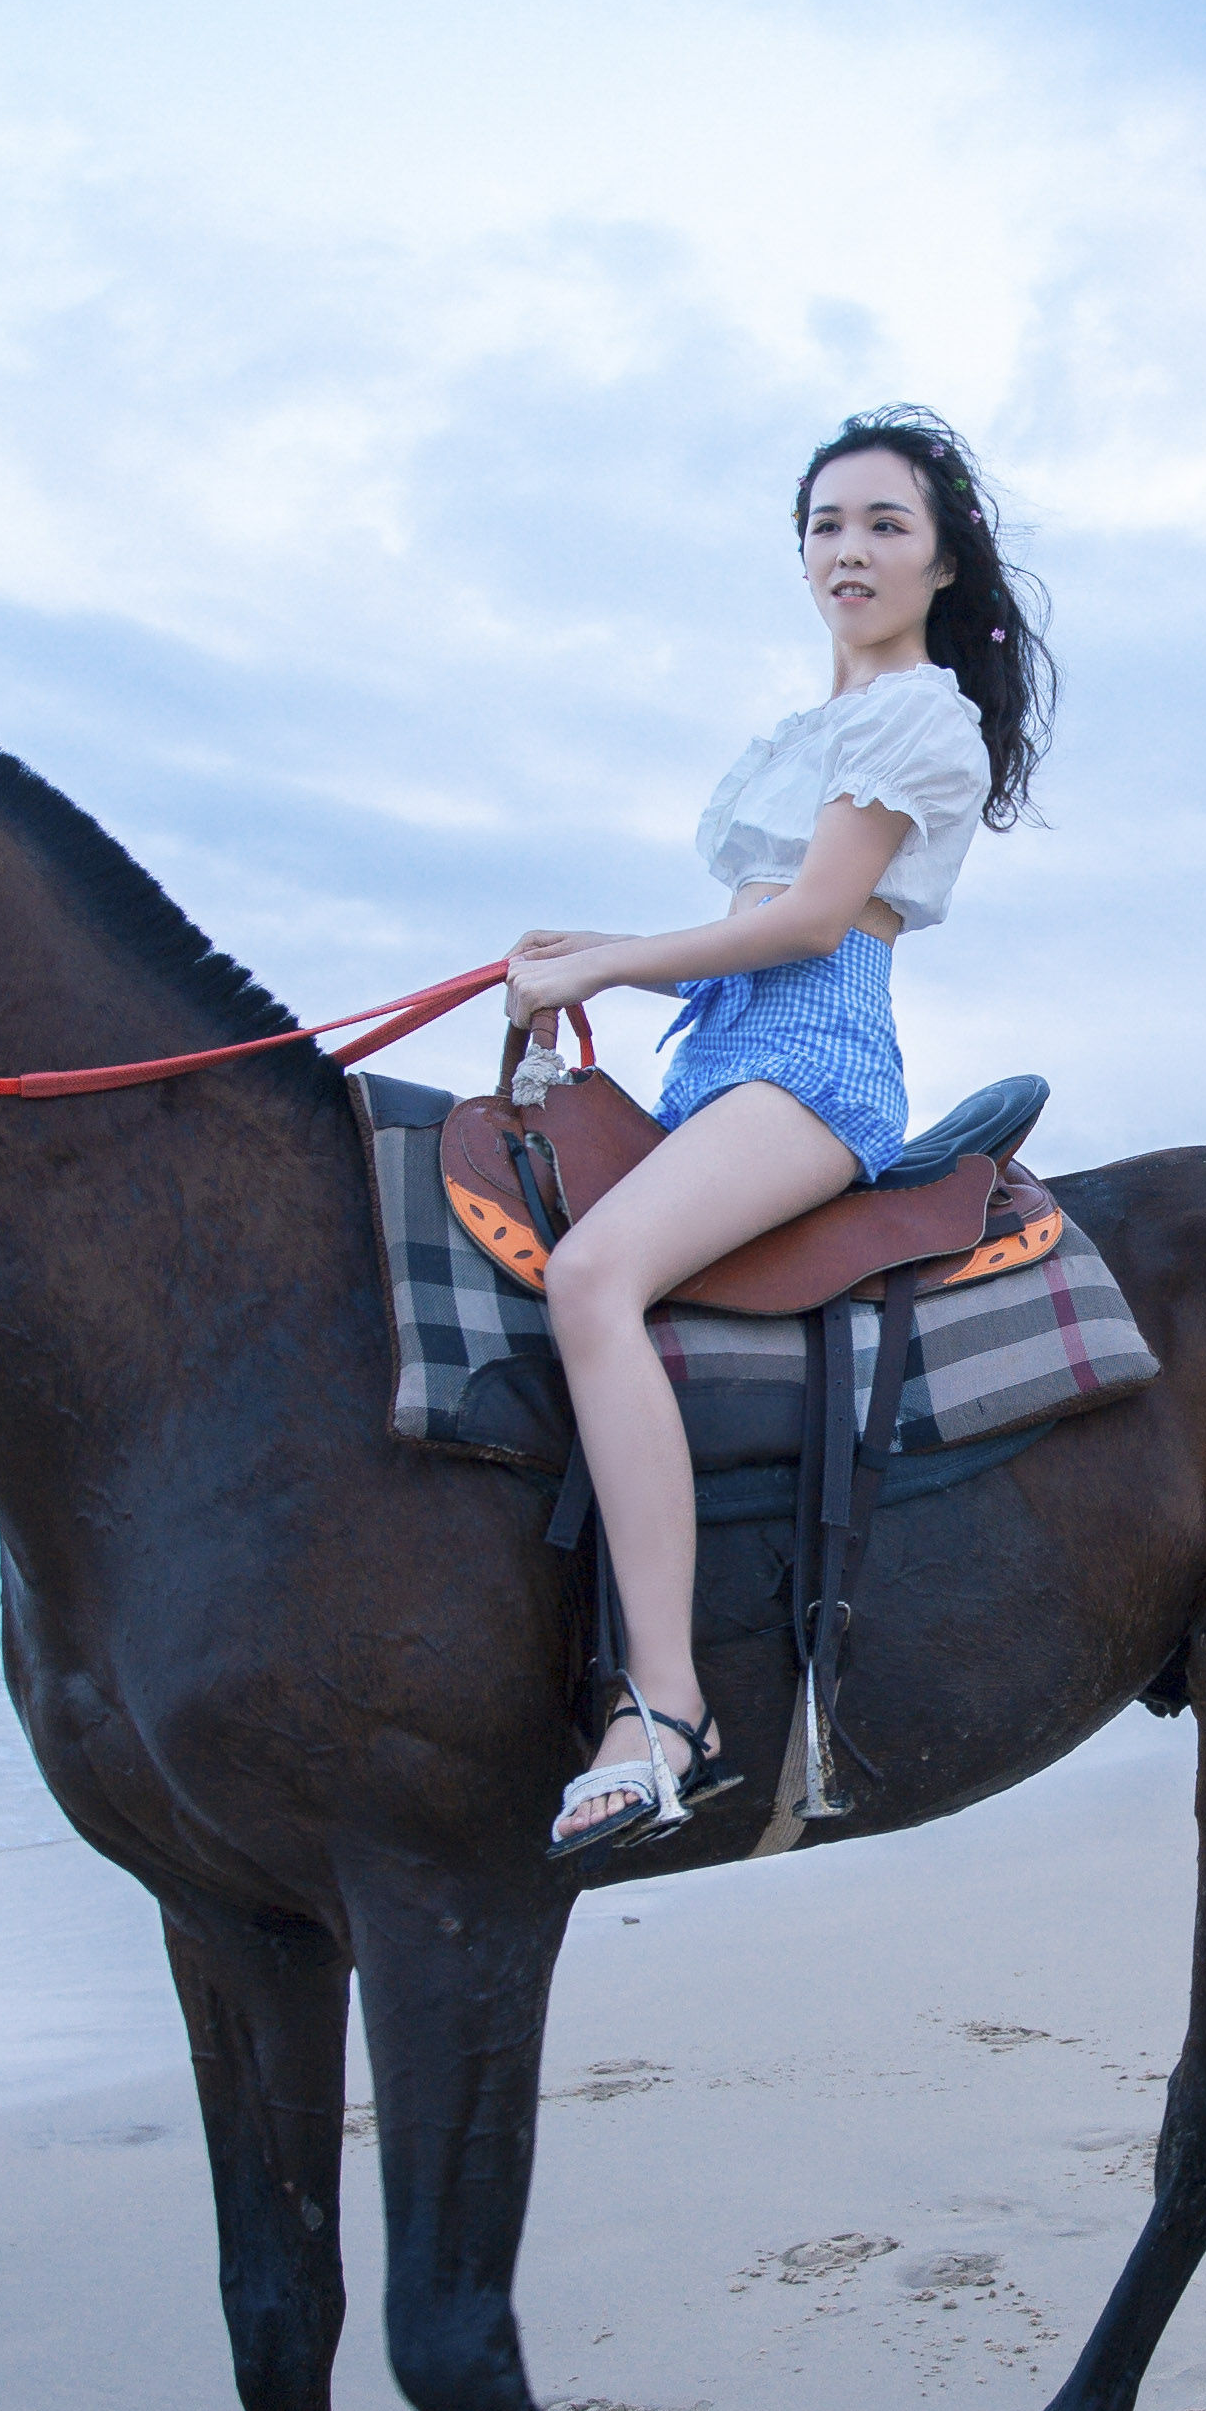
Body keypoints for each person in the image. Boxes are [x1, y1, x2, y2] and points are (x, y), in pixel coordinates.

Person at [501, 409, 1051, 1858]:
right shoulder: (808, 732)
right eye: (825, 525)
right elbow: (753, 922)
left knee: (589, 1280)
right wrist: (603, 949)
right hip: (725, 1059)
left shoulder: (919, 717)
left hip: (815, 1064)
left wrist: (607, 965)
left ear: (942, 564)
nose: (849, 551)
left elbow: (813, 924)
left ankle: (669, 1709)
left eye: (885, 525)